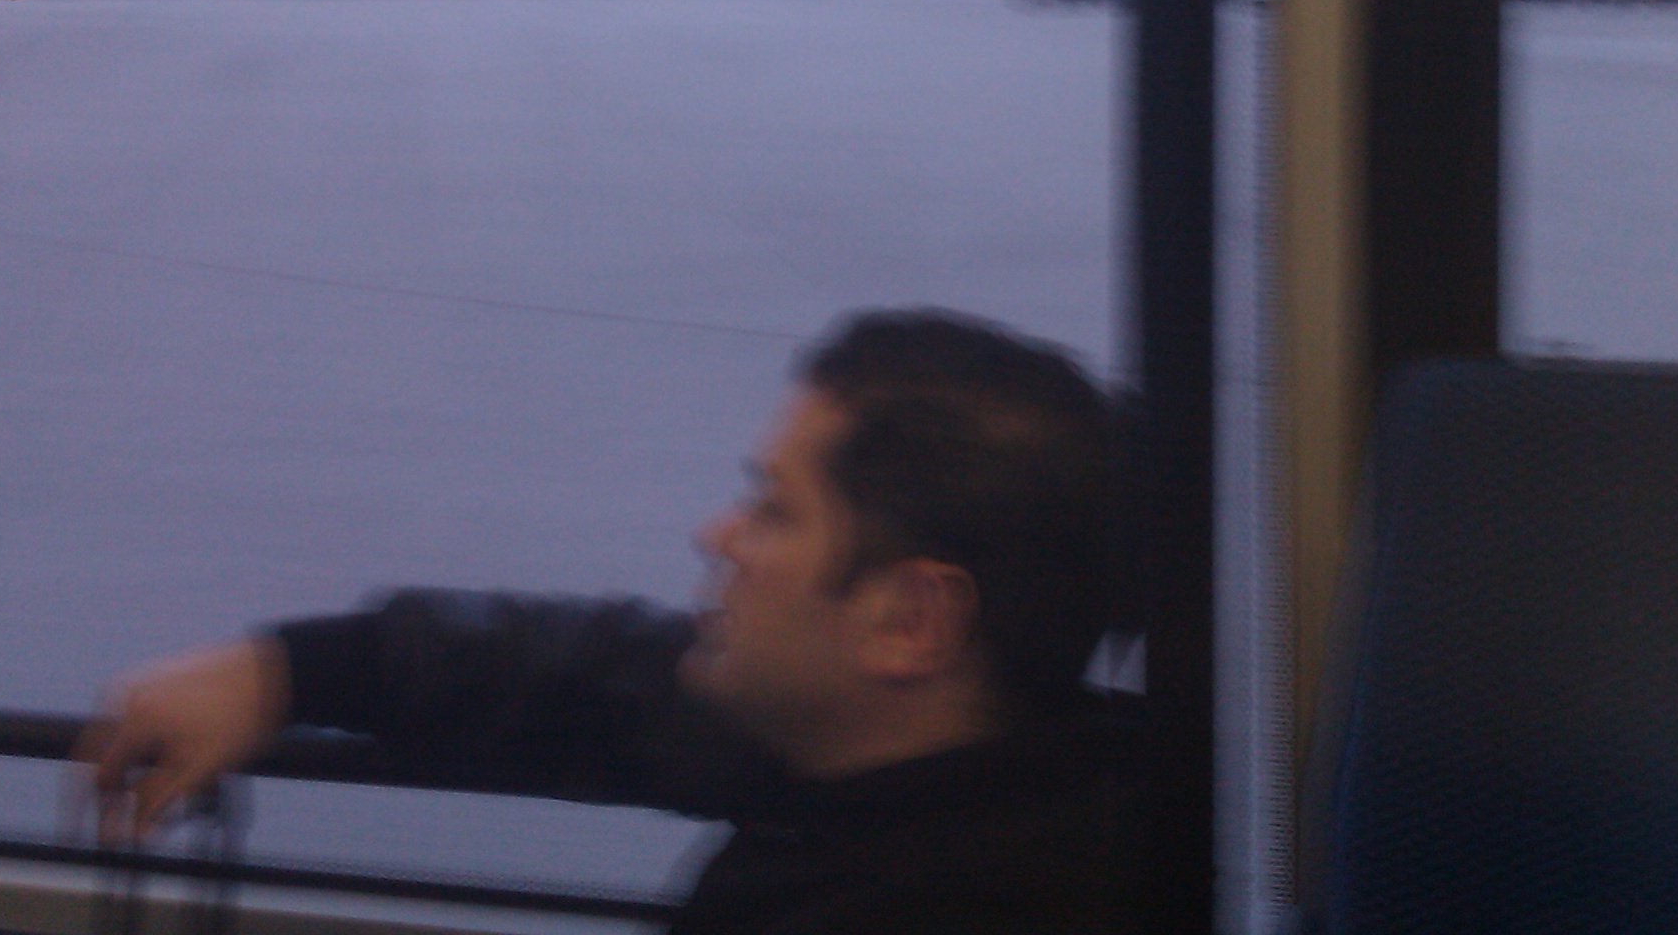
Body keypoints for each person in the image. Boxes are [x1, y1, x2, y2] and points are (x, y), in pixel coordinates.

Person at [79, 308, 1143, 934]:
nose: (717, 536)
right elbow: (603, 678)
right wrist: (290, 671)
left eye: (773, 511)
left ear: (911, 621)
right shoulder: (921, 765)